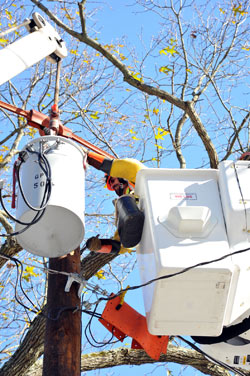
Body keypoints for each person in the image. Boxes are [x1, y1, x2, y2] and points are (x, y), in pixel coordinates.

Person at [85, 151, 146, 255]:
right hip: (145, 227)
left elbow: (132, 167)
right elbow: (122, 246)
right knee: (123, 204)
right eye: (111, 185)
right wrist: (99, 246)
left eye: (113, 180)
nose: (113, 186)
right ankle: (135, 221)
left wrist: (88, 157)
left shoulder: (140, 180)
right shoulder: (125, 207)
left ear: (122, 177)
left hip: (154, 207)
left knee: (124, 201)